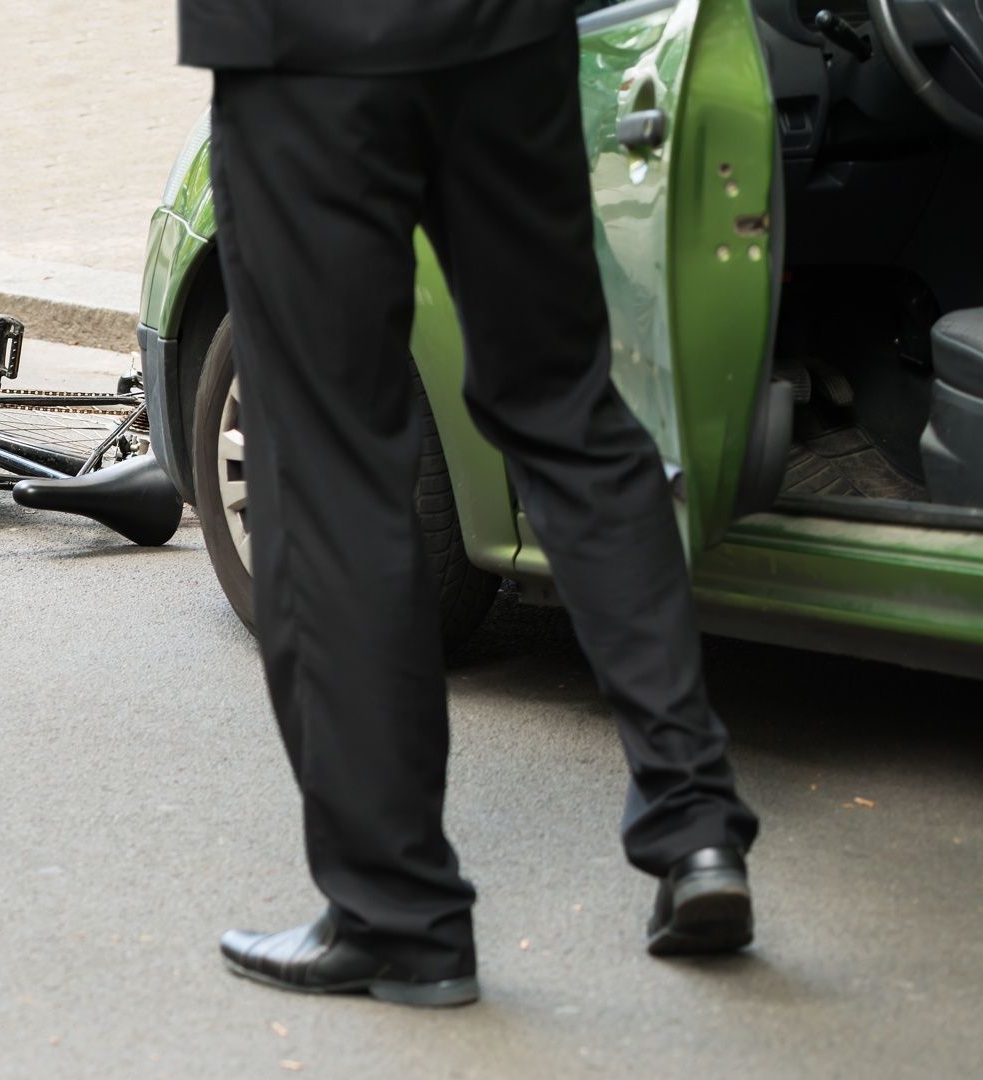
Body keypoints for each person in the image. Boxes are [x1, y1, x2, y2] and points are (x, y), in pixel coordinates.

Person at [179, 0, 762, 1007]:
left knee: (329, 465)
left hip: (309, 51)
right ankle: (695, 822)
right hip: (505, 34)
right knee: (565, 407)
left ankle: (400, 916)